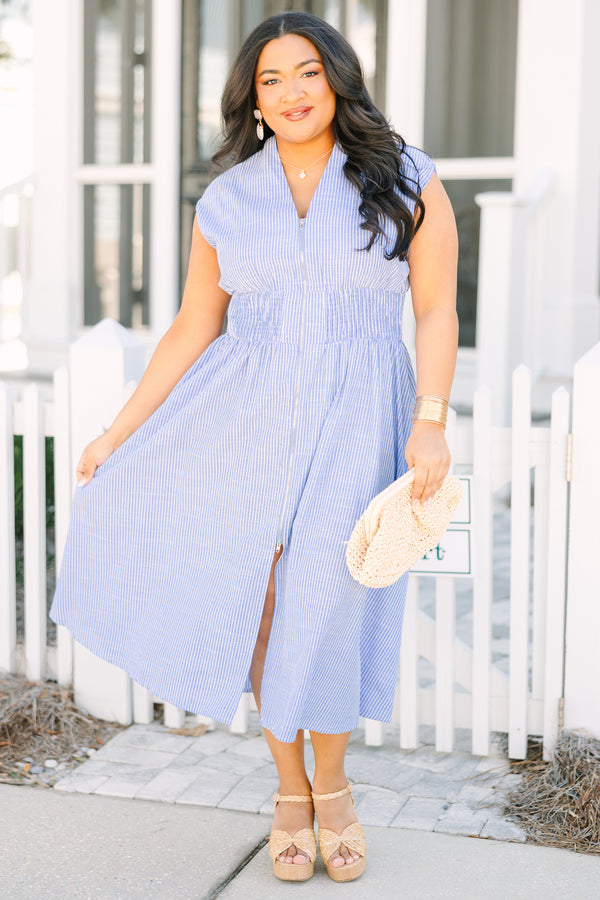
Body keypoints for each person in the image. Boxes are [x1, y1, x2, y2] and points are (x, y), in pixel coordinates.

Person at [50, 11, 458, 885]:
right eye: (271, 81)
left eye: (306, 72)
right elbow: (197, 323)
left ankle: (336, 784)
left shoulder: (406, 175)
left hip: (360, 414)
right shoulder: (229, 199)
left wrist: (431, 416)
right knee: (265, 602)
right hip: (243, 413)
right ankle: (288, 790)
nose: (292, 92)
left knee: (329, 599)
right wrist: (117, 434)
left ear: (338, 79)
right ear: (253, 101)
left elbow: (433, 307)